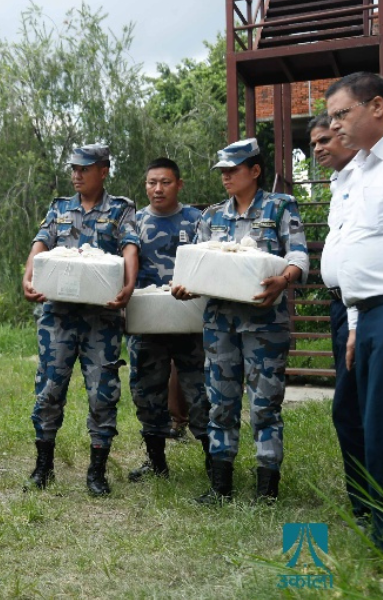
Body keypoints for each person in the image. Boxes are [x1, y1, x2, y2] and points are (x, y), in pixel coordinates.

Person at [172, 138, 308, 505]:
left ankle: (267, 489)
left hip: (265, 324)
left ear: (255, 170)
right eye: (222, 171)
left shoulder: (280, 207)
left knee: (265, 404)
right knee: (220, 402)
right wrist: (185, 287)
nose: (225, 177)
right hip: (220, 325)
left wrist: (285, 279)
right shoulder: (211, 216)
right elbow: (196, 265)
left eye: (233, 170)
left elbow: (298, 254)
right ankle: (221, 485)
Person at [21, 144, 138, 495]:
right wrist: (28, 277)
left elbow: (130, 247)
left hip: (101, 319)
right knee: (48, 390)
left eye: (84, 169)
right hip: (57, 316)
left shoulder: (120, 209)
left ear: (103, 170)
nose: (76, 174)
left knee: (102, 393)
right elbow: (40, 244)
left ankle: (97, 472)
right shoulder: (59, 207)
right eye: (74, 168)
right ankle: (43, 467)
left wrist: (129, 285)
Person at [325, 71, 383, 548]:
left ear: (377, 107)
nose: (333, 126)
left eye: (341, 114)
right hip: (363, 314)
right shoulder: (360, 172)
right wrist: (355, 322)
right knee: (365, 423)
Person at [127, 158, 210, 482]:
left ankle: (214, 464)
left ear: (179, 184)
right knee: (147, 393)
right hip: (147, 322)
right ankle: (156, 462)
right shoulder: (134, 222)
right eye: (152, 183)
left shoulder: (197, 220)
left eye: (165, 182)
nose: (157, 189)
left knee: (201, 392)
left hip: (190, 322)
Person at [310, 113, 367, 523]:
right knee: (350, 407)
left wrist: (355, 317)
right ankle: (364, 502)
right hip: (340, 308)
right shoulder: (339, 183)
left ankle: (369, 505)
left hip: (361, 307)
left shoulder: (368, 180)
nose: (318, 148)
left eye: (325, 139)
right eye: (314, 142)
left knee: (355, 407)